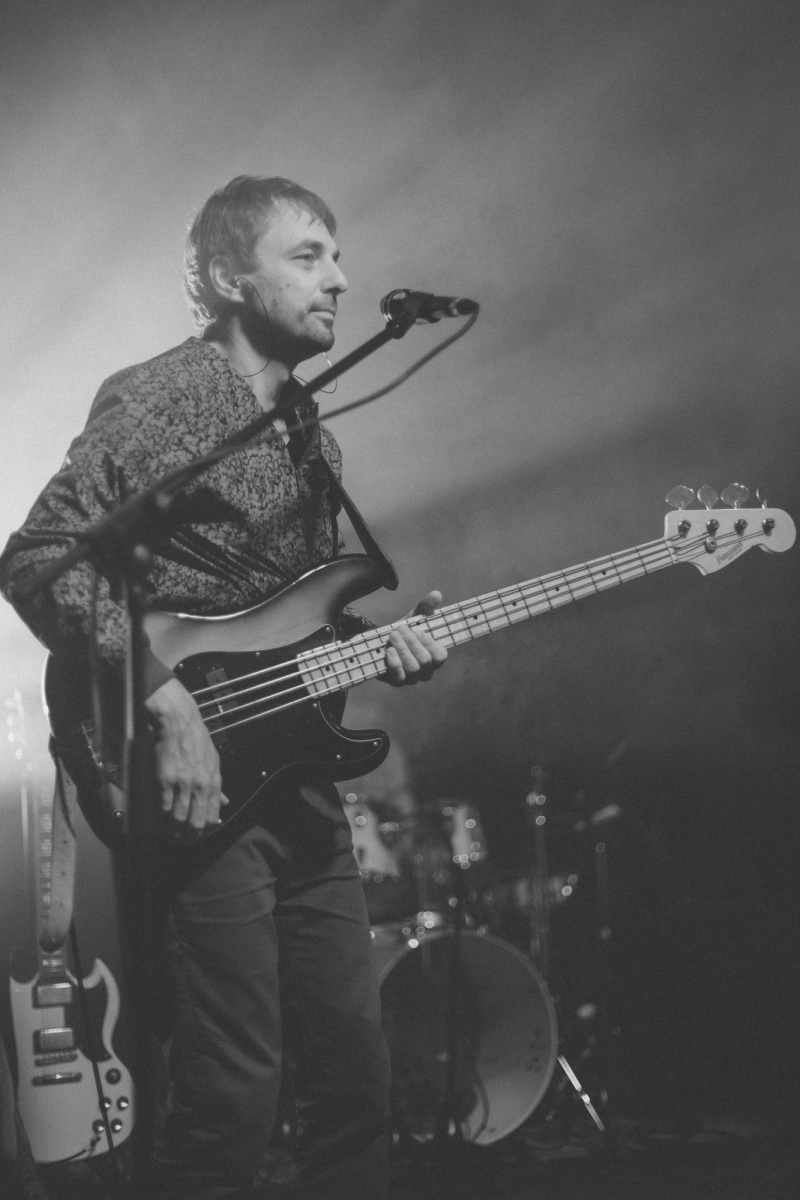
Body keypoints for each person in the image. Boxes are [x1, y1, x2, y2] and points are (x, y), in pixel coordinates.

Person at [0, 175, 447, 1200]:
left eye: (338, 255)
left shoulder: (312, 434)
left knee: (355, 1078)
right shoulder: (166, 396)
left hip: (295, 780)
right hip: (192, 783)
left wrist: (386, 646)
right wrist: (159, 696)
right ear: (227, 276)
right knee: (232, 1091)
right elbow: (40, 557)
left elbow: (288, 622)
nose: (340, 279)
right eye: (308, 256)